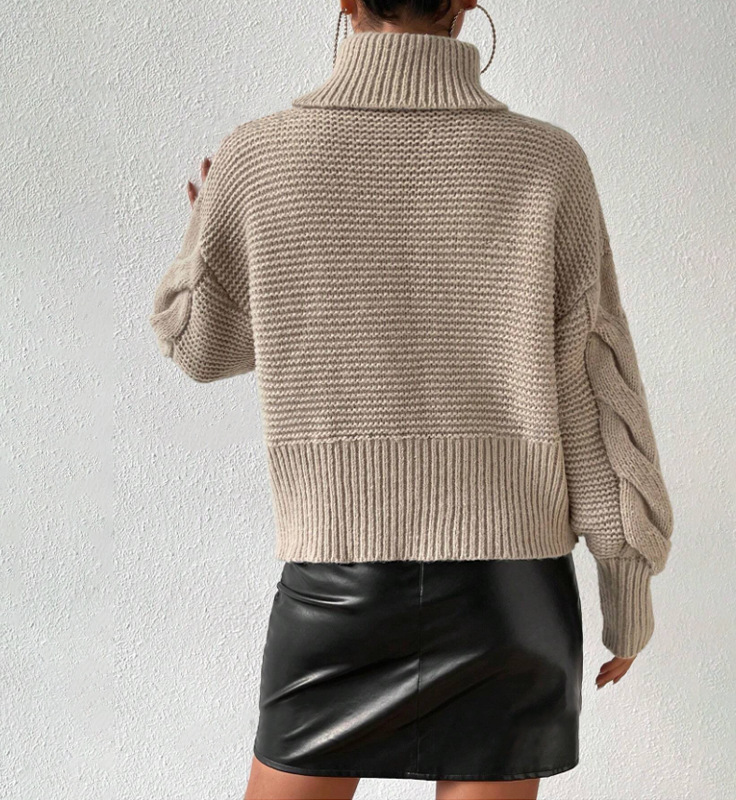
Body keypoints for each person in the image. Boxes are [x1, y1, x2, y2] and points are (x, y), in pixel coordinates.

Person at [148, 2, 674, 798]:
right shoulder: (548, 160)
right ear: (466, 1)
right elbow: (590, 388)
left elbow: (199, 348)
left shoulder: (259, 158)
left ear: (345, 1)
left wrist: (207, 238)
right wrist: (626, 585)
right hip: (512, 596)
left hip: (337, 586)